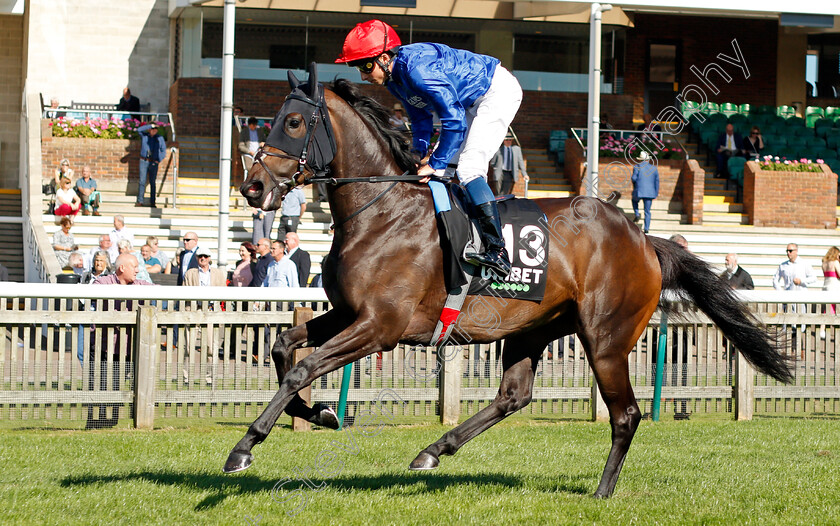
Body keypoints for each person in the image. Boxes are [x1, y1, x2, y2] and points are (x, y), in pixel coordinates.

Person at [335, 19, 520, 276]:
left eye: (366, 66)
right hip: (466, 102)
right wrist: (418, 152)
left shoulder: (417, 72)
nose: (364, 76)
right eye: (359, 68)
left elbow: (453, 121)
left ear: (385, 58)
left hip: (495, 92)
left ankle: (497, 251)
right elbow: (421, 118)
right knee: (443, 171)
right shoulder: (394, 79)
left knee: (468, 168)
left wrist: (435, 162)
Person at [136, 123, 166, 207]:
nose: (154, 131)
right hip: (144, 160)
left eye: (155, 129)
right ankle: (140, 201)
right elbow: (139, 130)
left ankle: (153, 201)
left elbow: (163, 150)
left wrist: (158, 160)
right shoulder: (145, 136)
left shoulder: (159, 138)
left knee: (153, 182)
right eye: (152, 129)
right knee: (142, 181)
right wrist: (150, 126)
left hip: (153, 162)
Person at [631, 151, 660, 234]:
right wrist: (656, 193)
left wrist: (635, 185)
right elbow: (657, 182)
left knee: (634, 201)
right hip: (650, 192)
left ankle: (637, 213)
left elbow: (633, 179)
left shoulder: (637, 167)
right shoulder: (654, 168)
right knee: (647, 211)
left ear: (640, 159)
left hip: (639, 190)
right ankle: (646, 229)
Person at [822, 246, 840, 315]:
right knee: (832, 306)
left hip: (825, 285)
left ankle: (825, 325)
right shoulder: (835, 262)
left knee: (826, 307)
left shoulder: (824, 263)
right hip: (833, 286)